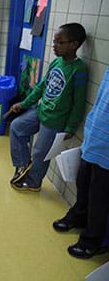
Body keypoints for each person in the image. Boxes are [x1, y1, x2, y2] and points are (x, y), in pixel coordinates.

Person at [9, 23, 88, 191]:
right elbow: (41, 87)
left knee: (40, 153)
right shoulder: (56, 63)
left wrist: (71, 127)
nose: (54, 46)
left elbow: (79, 102)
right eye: (54, 41)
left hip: (55, 121)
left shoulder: (79, 69)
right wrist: (23, 104)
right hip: (41, 110)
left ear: (74, 45)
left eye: (60, 42)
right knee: (16, 127)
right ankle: (24, 166)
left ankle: (34, 182)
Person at [52, 66, 109, 259]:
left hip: (107, 150)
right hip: (95, 138)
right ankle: (79, 216)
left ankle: (93, 240)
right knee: (83, 183)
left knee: (100, 198)